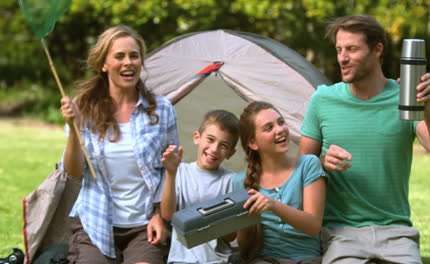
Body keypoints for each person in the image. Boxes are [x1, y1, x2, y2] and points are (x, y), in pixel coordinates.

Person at [299, 14, 430, 264]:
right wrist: (321, 161)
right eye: (339, 49)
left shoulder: (405, 100)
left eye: (351, 49)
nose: (342, 58)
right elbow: (300, 167)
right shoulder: (323, 100)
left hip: (396, 234)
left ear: (377, 50)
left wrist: (427, 108)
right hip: (341, 234)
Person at [59, 25, 179, 264]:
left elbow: (168, 170)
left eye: (134, 56)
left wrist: (159, 216)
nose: (128, 62)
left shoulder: (162, 109)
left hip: (143, 227)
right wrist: (74, 130)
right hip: (95, 222)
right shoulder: (84, 107)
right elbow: (73, 172)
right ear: (104, 64)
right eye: (119, 56)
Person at [233, 101, 327, 264]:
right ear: (253, 143)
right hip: (264, 259)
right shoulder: (240, 182)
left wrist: (274, 205)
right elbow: (244, 246)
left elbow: (313, 226)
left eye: (281, 122)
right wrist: (245, 222)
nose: (280, 129)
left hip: (306, 258)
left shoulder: (308, 165)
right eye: (269, 128)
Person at [160, 109, 239, 264]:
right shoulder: (179, 171)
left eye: (223, 145)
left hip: (219, 260)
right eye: (210, 139)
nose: (214, 149)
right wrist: (170, 173)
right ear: (197, 137)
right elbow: (168, 215)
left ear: (230, 153)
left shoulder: (232, 180)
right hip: (181, 259)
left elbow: (231, 236)